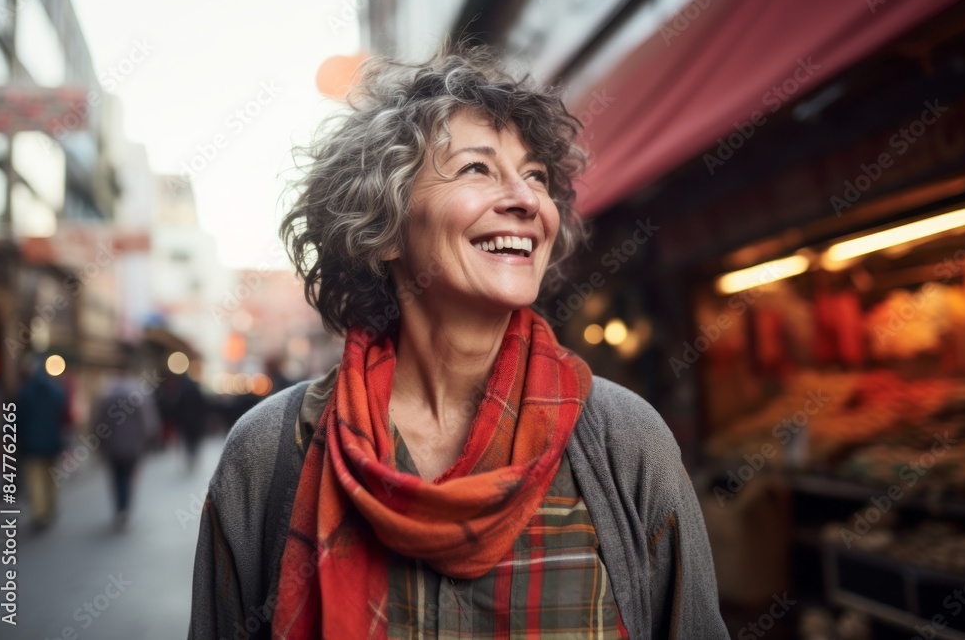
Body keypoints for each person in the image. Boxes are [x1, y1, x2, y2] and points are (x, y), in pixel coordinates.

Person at [189, 46, 729, 640]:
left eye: (536, 176)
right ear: (385, 226)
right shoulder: (269, 454)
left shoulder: (625, 443)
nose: (527, 200)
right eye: (477, 168)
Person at [93, 348, 160, 530]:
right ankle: (125, 509)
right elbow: (148, 422)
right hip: (133, 445)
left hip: (113, 445)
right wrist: (148, 440)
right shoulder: (138, 393)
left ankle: (119, 508)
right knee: (129, 477)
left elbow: (99, 422)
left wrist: (99, 442)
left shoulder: (107, 394)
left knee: (116, 478)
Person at [16, 354, 70, 530]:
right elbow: (62, 409)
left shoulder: (25, 390)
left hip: (32, 443)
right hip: (52, 441)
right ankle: (50, 508)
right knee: (50, 477)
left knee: (35, 479)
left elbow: (18, 418)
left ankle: (40, 514)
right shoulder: (54, 388)